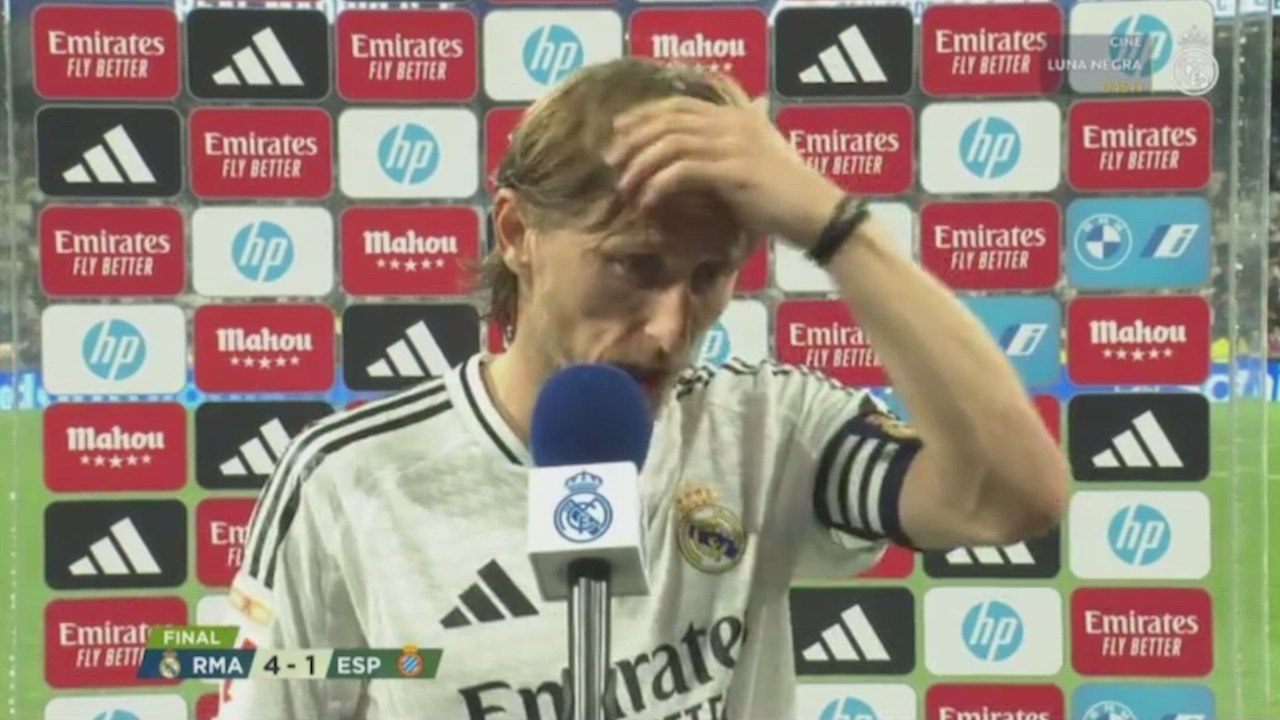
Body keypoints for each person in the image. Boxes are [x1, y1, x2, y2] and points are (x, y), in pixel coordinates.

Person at [218, 59, 1066, 720]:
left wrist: (832, 224)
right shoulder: (346, 477)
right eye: (635, 265)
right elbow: (266, 679)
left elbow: (1013, 496)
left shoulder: (766, 428)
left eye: (709, 275)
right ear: (519, 233)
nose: (669, 329)